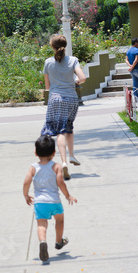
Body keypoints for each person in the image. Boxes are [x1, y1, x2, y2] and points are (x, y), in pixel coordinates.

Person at [23, 135, 77, 262]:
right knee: (59, 220)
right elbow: (61, 183)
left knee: (41, 224)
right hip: (54, 201)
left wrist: (26, 195)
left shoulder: (33, 168)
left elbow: (26, 182)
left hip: (40, 202)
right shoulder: (56, 166)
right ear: (54, 152)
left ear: (36, 153)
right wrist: (67, 195)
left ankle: (43, 242)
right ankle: (59, 242)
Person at [41, 34, 86, 180]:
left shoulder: (48, 62)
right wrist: (75, 81)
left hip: (56, 99)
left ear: (52, 46)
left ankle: (64, 162)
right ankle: (72, 155)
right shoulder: (73, 60)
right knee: (68, 127)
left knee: (60, 132)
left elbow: (47, 87)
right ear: (65, 45)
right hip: (72, 99)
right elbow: (83, 78)